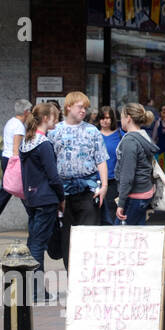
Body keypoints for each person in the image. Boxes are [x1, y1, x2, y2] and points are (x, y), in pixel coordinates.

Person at [48, 91, 108, 269]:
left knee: (89, 236)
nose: (84, 110)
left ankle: (89, 273)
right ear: (68, 107)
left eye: (85, 107)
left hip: (88, 190)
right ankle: (71, 275)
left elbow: (101, 159)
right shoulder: (55, 131)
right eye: (80, 106)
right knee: (67, 238)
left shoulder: (92, 131)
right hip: (63, 193)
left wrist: (104, 186)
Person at [18, 103, 63, 300]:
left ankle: (32, 290)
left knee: (33, 242)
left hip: (31, 198)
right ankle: (36, 292)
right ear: (46, 118)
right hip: (46, 199)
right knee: (38, 244)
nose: (57, 120)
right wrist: (61, 198)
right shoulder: (43, 144)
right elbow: (53, 176)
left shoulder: (26, 142)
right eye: (55, 116)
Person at [0, 98, 31, 233]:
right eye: (30, 111)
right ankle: (35, 220)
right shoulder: (19, 126)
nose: (30, 114)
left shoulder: (10, 122)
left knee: (8, 189)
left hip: (5, 158)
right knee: (20, 188)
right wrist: (17, 163)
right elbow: (16, 146)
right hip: (12, 159)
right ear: (26, 112)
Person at [113, 104, 159, 226]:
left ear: (128, 118)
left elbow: (127, 175)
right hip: (144, 191)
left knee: (120, 235)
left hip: (134, 195)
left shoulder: (130, 141)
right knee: (137, 233)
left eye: (122, 117)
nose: (120, 120)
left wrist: (121, 203)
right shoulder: (143, 137)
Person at [94, 106, 122, 226]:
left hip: (114, 179)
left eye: (108, 118)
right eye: (102, 118)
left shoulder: (120, 135)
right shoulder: (93, 134)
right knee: (96, 209)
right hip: (96, 179)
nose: (105, 121)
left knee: (111, 210)